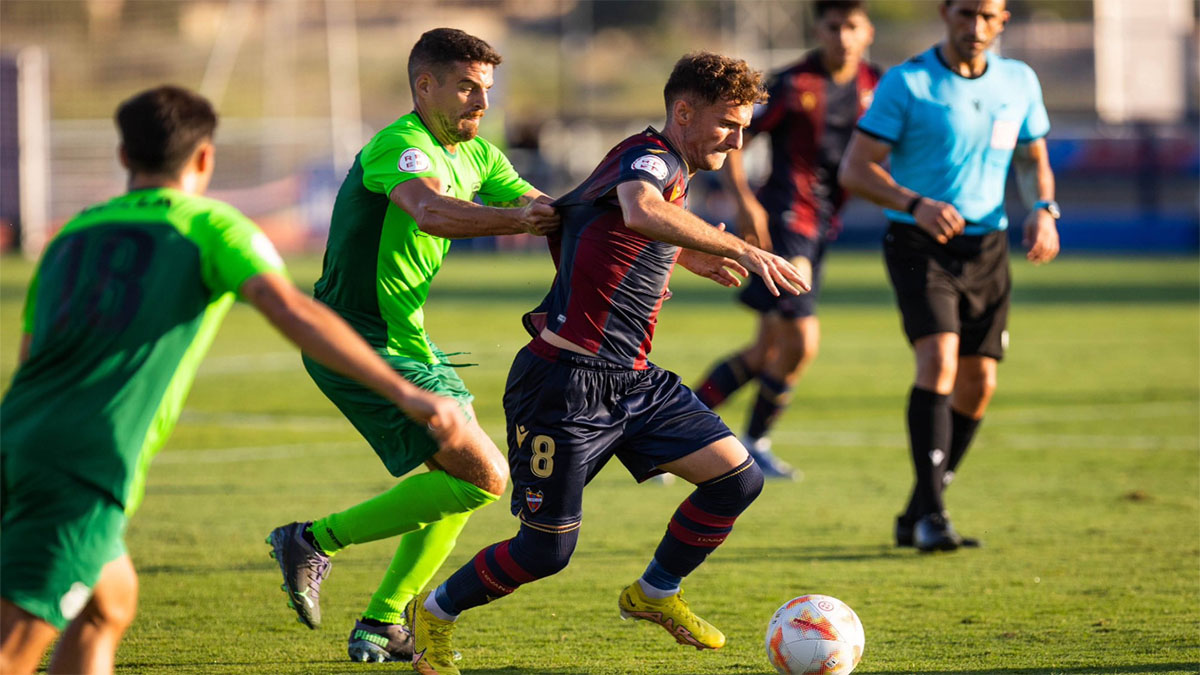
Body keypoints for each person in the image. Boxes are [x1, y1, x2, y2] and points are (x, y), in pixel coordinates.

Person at [0, 85, 471, 675]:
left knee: (109, 605)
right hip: (83, 462)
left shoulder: (70, 235)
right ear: (204, 159)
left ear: (125, 156)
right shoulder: (212, 225)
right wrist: (405, 391)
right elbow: (294, 312)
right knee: (14, 648)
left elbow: (30, 353)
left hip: (16, 436)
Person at [403, 52, 811, 675]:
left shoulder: (659, 171)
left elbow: (590, 224)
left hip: (634, 381)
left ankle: (653, 594)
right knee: (546, 552)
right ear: (683, 113)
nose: (739, 137)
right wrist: (737, 248)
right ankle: (434, 612)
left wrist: (684, 256)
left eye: (745, 124)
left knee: (738, 478)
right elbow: (641, 208)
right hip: (562, 388)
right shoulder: (649, 157)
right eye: (728, 123)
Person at [264, 27, 560, 663]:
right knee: (484, 476)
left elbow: (548, 209)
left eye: (486, 89)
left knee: (466, 478)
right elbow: (429, 210)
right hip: (355, 342)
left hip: (410, 341)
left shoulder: (477, 152)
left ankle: (379, 621)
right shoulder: (402, 146)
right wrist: (517, 220)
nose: (480, 102)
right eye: (465, 88)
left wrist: (647, 238)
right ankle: (313, 539)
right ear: (424, 86)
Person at [839, 0, 1060, 552]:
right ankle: (934, 516)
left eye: (988, 16)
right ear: (946, 14)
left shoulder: (1019, 80)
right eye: (966, 14)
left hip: (987, 246)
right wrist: (914, 202)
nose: (976, 26)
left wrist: (1043, 210)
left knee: (979, 383)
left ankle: (917, 507)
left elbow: (1033, 161)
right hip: (920, 243)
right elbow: (855, 168)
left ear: (1003, 20)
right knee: (938, 358)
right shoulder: (907, 83)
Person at [693, 0, 881, 479]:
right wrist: (744, 202)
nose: (841, 35)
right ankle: (753, 441)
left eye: (851, 26)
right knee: (802, 340)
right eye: (832, 26)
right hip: (785, 220)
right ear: (818, 28)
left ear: (868, 33)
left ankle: (676, 432)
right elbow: (737, 141)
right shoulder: (794, 83)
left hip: (822, 225)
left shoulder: (876, 85)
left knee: (765, 351)